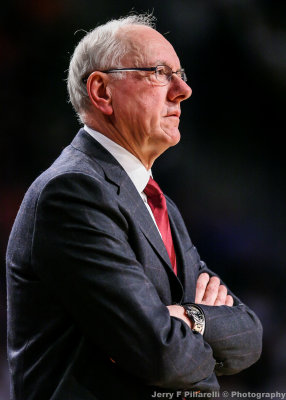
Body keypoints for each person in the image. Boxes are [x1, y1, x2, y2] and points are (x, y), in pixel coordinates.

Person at [6, 13, 262, 400]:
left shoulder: (159, 202)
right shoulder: (72, 192)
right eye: (159, 72)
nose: (182, 90)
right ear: (102, 92)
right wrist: (201, 328)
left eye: (181, 73)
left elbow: (250, 336)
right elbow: (162, 356)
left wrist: (188, 317)